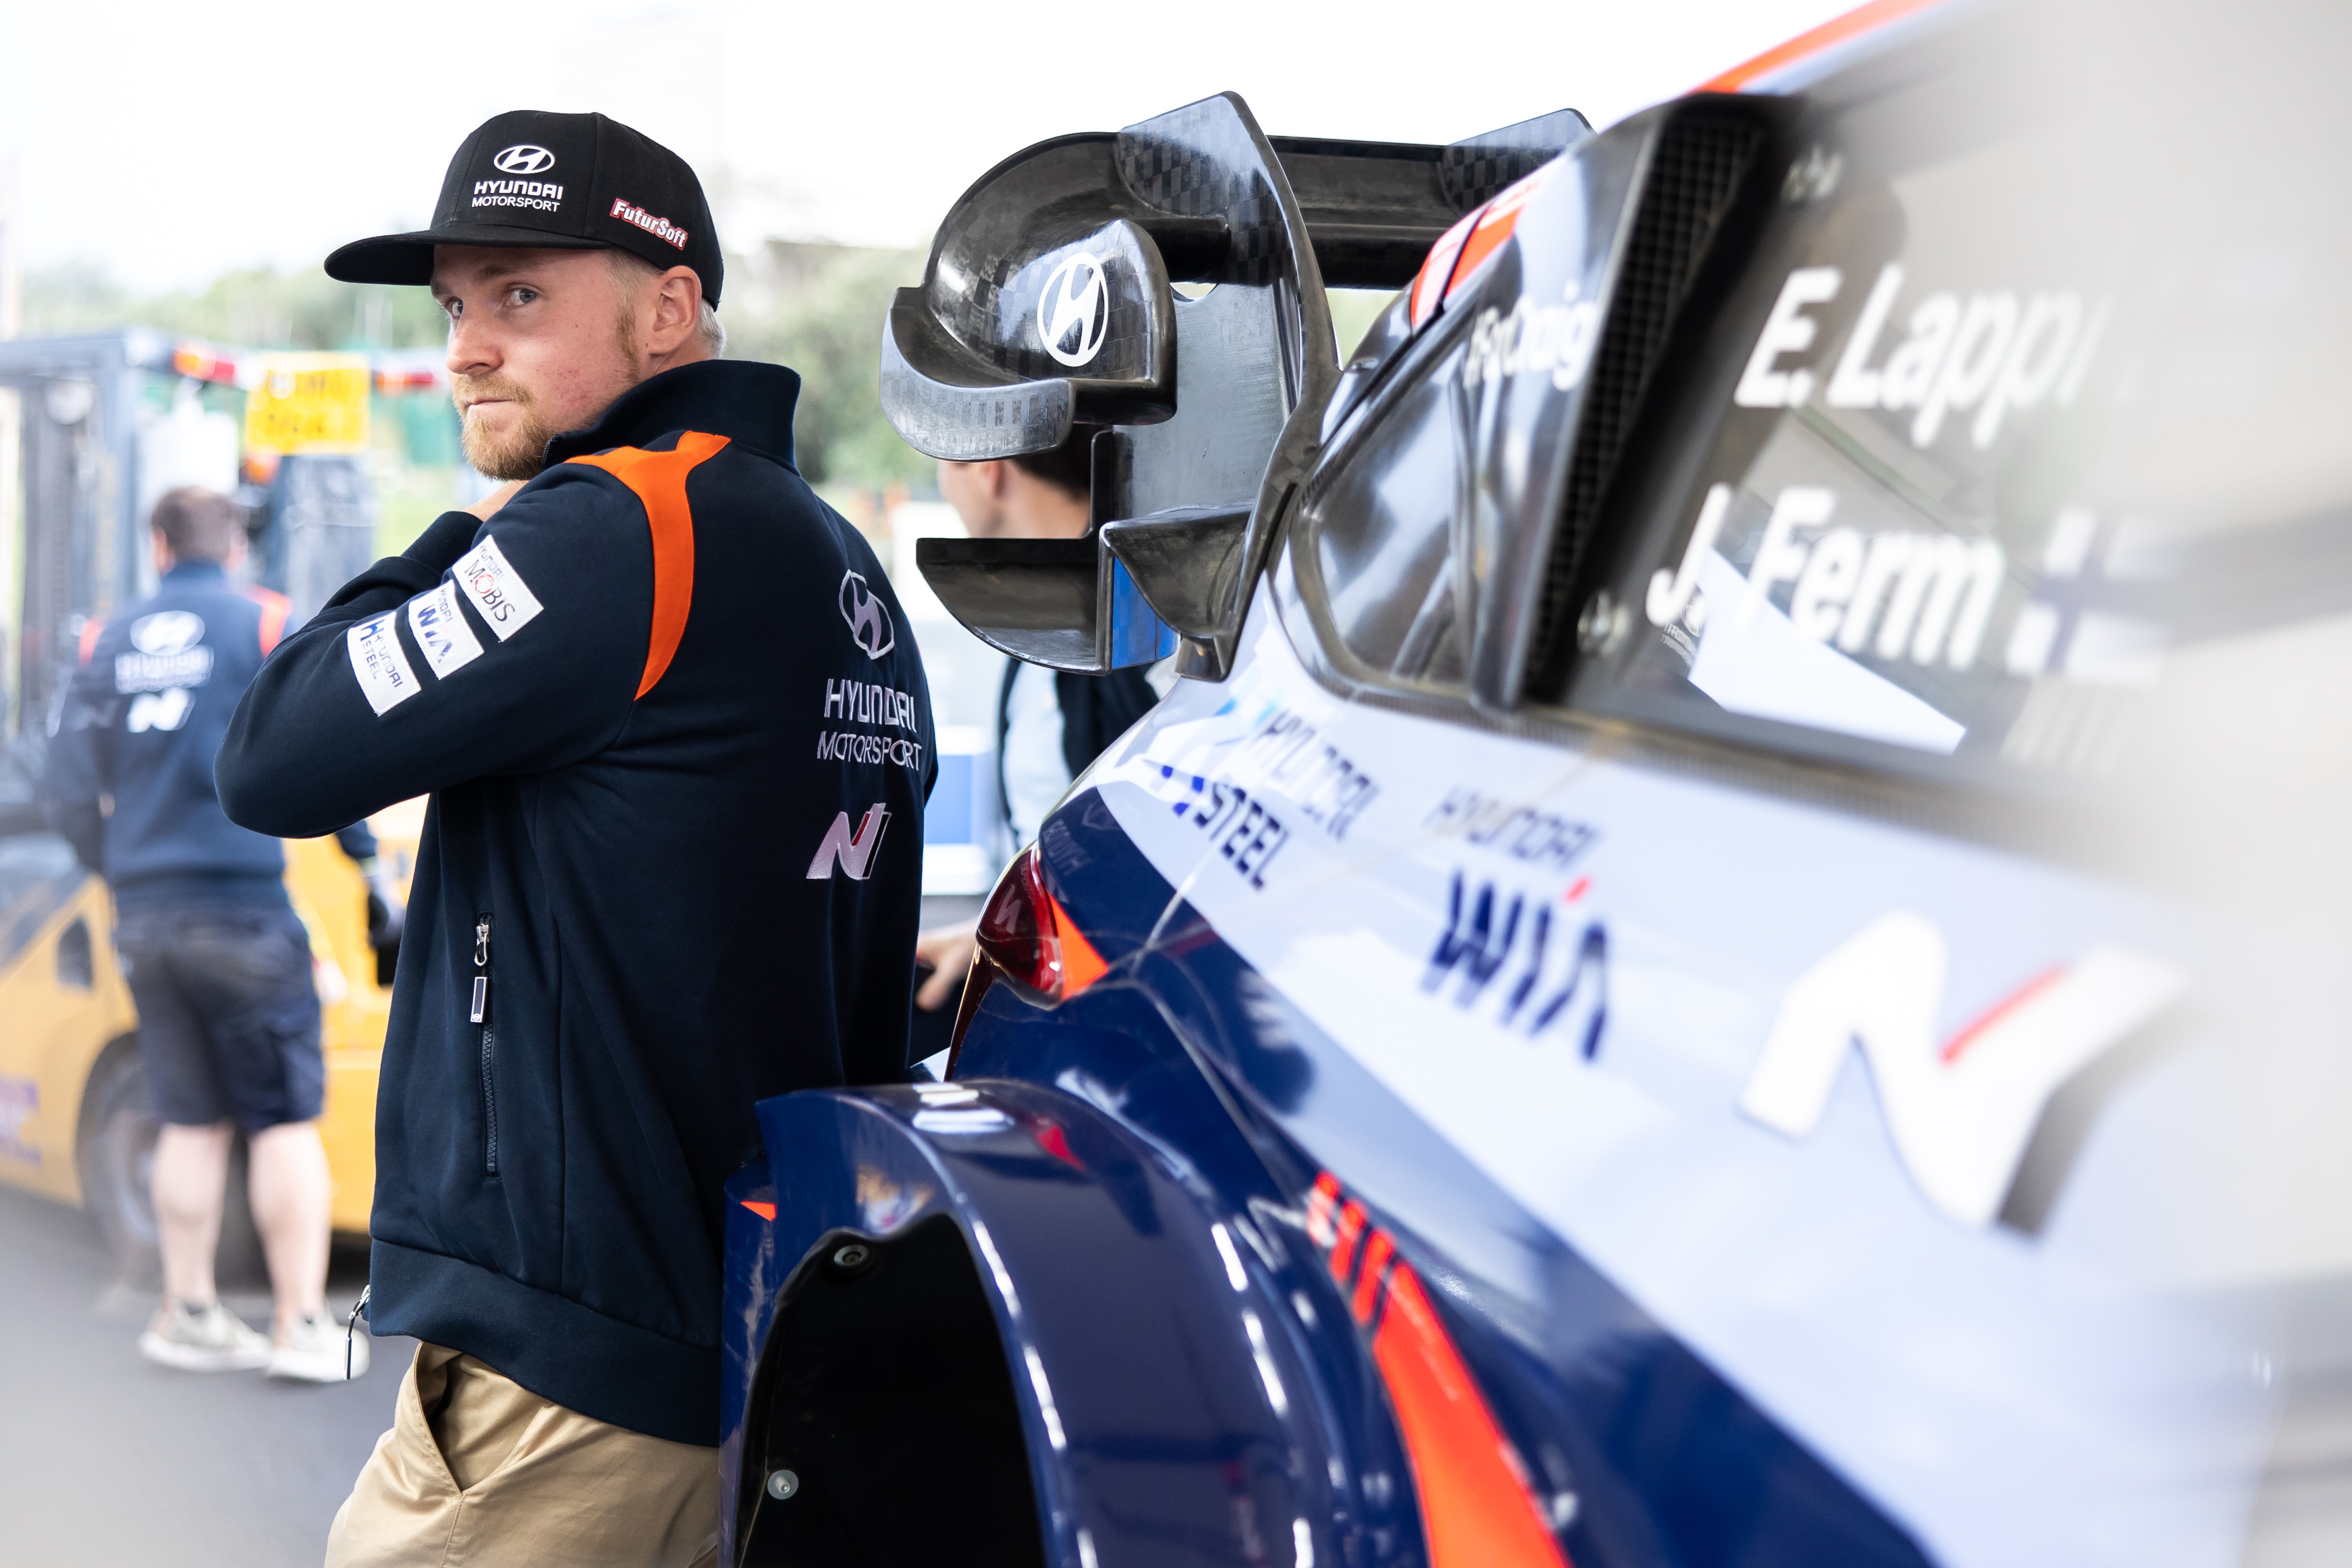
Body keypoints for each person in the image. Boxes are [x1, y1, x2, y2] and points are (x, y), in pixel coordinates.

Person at [213, 110, 931, 1568]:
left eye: (521, 296)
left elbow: (275, 750)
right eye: (454, 307)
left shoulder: (611, 530)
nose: (468, 348)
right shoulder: (829, 552)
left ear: (668, 310)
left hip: (570, 1384)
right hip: (758, 1338)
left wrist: (460, 536)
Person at [40, 485, 403, 1382]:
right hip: (243, 912)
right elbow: (330, 753)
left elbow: (63, 784)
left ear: (159, 546)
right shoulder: (266, 624)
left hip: (145, 918)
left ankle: (188, 1311)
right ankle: (299, 1325)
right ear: (235, 548)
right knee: (282, 1122)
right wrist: (368, 869)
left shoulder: (105, 641)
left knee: (189, 1117)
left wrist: (117, 866)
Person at [913, 431, 1163, 1013]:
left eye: (943, 463)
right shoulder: (1049, 619)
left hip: (1118, 1006)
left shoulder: (1140, 616)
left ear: (989, 468)